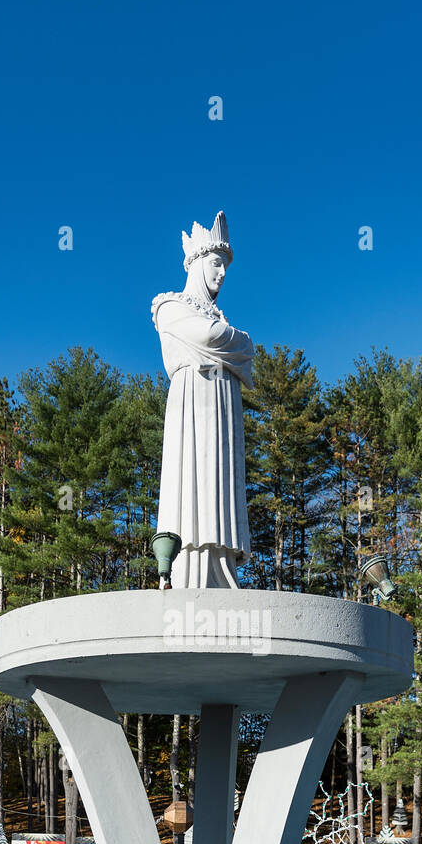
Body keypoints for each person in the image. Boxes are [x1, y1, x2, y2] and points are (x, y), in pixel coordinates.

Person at [152, 210, 253, 588]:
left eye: (226, 266)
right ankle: (184, 567)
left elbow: (238, 346)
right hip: (191, 402)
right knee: (190, 479)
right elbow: (212, 338)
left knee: (220, 483)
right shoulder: (169, 306)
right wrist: (236, 342)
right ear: (196, 264)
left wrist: (235, 343)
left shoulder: (216, 316)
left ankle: (221, 565)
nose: (222, 273)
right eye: (216, 263)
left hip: (224, 405)